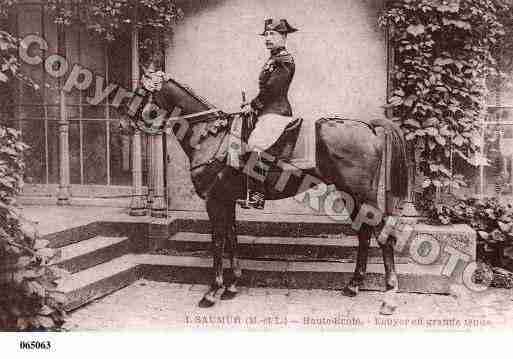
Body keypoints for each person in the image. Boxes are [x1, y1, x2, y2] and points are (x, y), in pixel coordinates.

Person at [239, 18, 298, 209]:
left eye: (273, 34)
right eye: (266, 34)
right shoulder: (274, 58)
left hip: (276, 112)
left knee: (256, 144)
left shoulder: (284, 60)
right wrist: (252, 104)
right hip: (268, 110)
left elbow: (273, 89)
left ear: (284, 36)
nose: (268, 38)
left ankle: (257, 195)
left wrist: (254, 105)